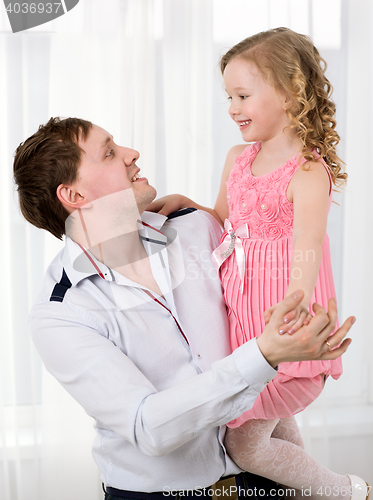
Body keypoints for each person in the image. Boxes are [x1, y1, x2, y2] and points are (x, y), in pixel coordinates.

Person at [13, 117, 353, 500]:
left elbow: (263, 289)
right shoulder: (61, 312)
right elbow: (148, 427)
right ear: (74, 196)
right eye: (109, 153)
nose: (131, 154)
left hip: (260, 482)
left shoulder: (197, 228)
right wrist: (264, 355)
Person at [148, 28, 369, 499]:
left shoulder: (308, 171)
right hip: (240, 323)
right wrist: (191, 204)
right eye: (229, 96)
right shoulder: (237, 159)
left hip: (278, 322)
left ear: (289, 95)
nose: (232, 107)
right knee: (269, 426)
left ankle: (344, 490)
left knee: (246, 445)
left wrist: (293, 307)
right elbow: (224, 219)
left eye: (243, 95)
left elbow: (308, 246)